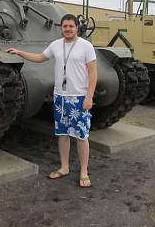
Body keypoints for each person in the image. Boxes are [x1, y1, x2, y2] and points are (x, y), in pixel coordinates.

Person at [6, 13, 97, 188]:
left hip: (79, 97)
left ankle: (84, 171)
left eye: (71, 26)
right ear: (61, 28)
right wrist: (20, 52)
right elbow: (40, 58)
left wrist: (89, 97)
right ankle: (64, 167)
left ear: (77, 27)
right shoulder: (56, 45)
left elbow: (93, 72)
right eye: (65, 26)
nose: (68, 29)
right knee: (62, 134)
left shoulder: (86, 46)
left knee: (81, 136)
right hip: (60, 97)